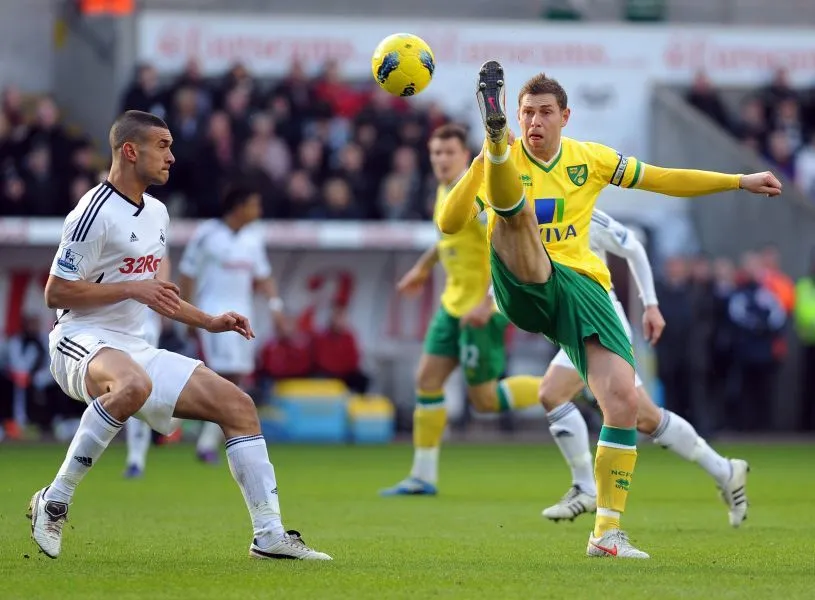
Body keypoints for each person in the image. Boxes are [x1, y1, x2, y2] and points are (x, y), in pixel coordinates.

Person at [437, 63, 781, 558]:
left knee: (623, 403)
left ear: (565, 117)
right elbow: (450, 223)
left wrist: (738, 180)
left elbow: (662, 179)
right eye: (525, 112)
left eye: (545, 112)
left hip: (584, 293)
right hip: (523, 284)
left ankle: (606, 533)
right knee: (518, 215)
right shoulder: (501, 164)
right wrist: (485, 158)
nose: (533, 121)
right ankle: (583, 483)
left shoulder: (590, 160)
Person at [27, 110, 329, 561]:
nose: (171, 157)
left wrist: (209, 320)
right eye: (163, 146)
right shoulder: (93, 212)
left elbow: (157, 294)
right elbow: (56, 292)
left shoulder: (158, 213)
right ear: (131, 151)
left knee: (238, 406)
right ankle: (55, 500)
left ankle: (268, 535)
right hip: (80, 339)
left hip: (134, 347)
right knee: (133, 384)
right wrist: (132, 288)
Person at [538, 210, 749, 528]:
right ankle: (725, 471)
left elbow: (633, 246)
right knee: (645, 417)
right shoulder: (531, 211)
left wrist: (650, 304)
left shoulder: (582, 210)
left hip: (600, 320)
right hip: (575, 325)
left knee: (554, 393)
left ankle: (586, 487)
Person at [380, 124, 542, 497]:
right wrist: (423, 267)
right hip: (452, 306)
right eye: (436, 153)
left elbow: (507, 247)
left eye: (449, 153)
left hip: (482, 310)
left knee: (485, 400)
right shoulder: (444, 191)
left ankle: (566, 386)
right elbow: (447, 238)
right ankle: (422, 476)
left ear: (465, 155)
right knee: (427, 380)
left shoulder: (481, 193)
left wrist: (489, 301)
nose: (441, 159)